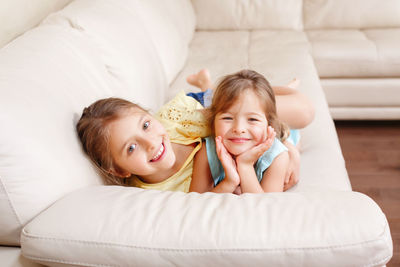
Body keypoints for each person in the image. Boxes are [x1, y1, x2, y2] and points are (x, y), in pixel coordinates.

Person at [76, 69, 313, 193]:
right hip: (222, 120)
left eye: (146, 124)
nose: (150, 143)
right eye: (131, 147)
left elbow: (226, 114)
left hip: (203, 108)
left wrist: (289, 148)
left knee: (305, 112)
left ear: (150, 116)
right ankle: (209, 84)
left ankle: (267, 89)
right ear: (118, 169)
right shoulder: (152, 196)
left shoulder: (171, 123)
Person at [190, 69, 302, 194]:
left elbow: (264, 208)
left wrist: (245, 166)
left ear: (268, 125)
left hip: (282, 133)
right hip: (257, 132)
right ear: (213, 122)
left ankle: (289, 88)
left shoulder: (278, 157)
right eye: (227, 118)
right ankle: (205, 84)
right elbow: (196, 201)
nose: (239, 129)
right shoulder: (207, 150)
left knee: (290, 137)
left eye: (252, 119)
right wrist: (230, 182)